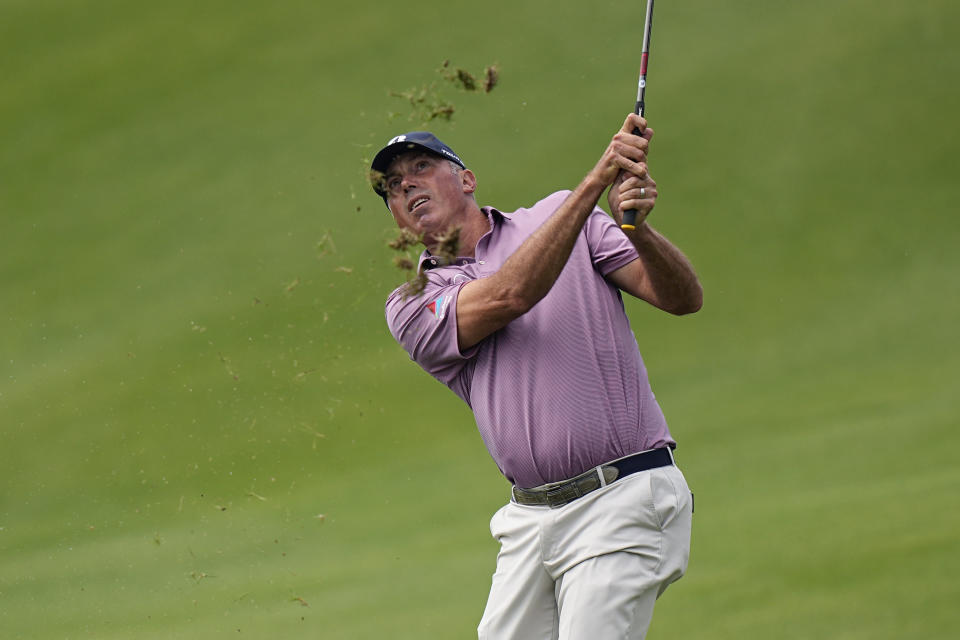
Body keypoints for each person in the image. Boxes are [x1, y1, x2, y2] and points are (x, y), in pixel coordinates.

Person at [371, 114, 702, 640]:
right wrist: (594, 185)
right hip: (529, 522)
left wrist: (641, 232)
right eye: (392, 186)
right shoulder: (411, 304)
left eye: (421, 167)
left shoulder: (560, 216)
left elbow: (683, 299)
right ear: (395, 217)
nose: (406, 184)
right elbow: (510, 295)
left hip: (621, 495)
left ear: (467, 179)